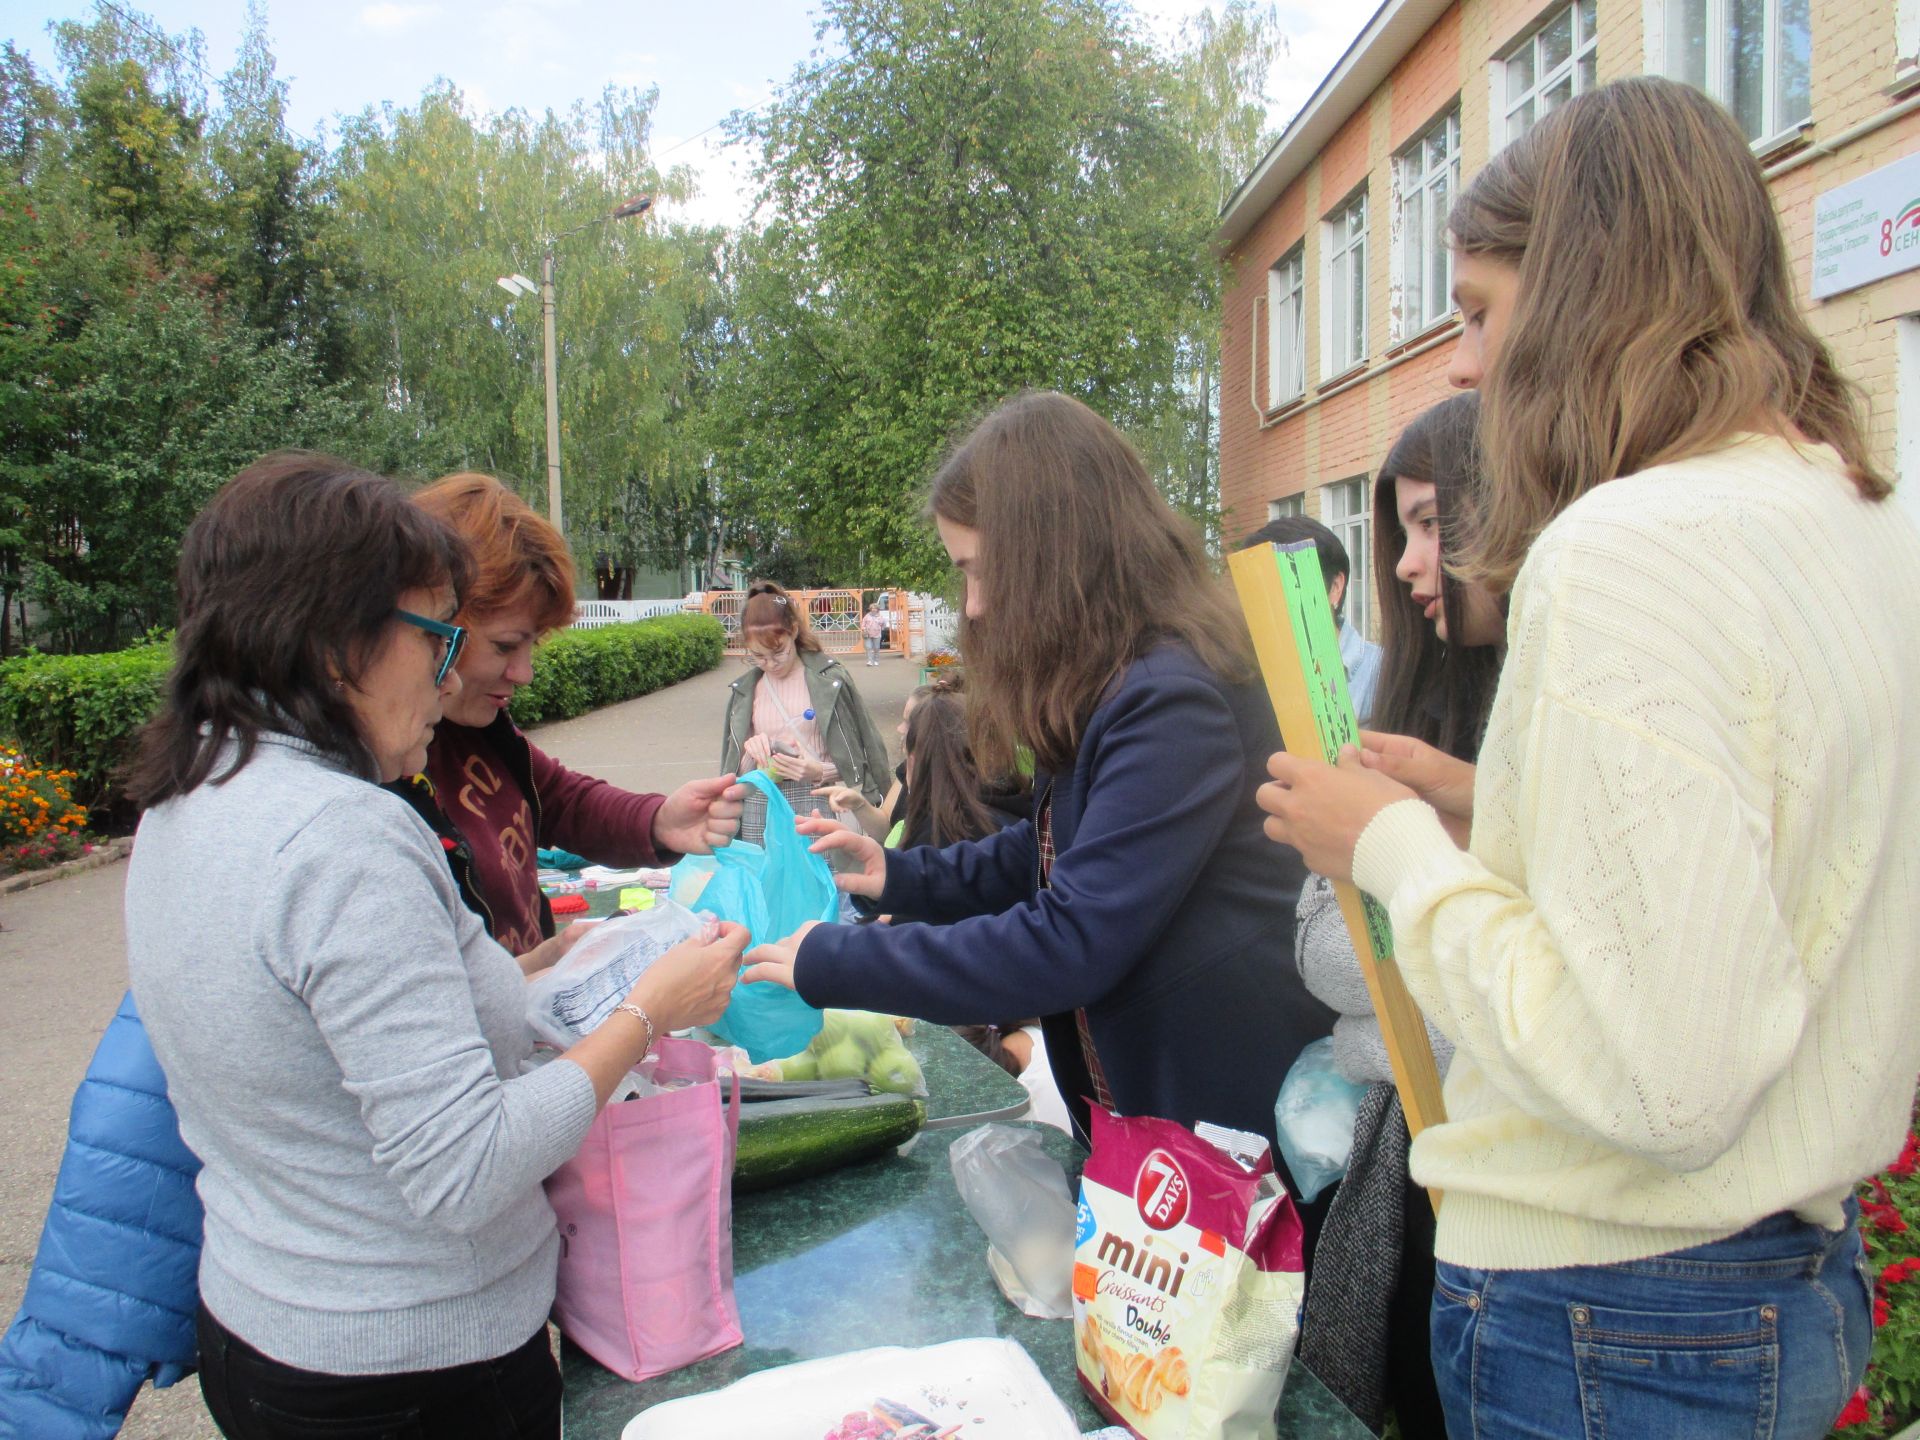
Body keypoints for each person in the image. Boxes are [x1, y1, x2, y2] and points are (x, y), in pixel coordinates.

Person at [1257, 77, 1920, 1438]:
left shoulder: (1624, 549)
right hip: (1777, 1277)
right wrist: (1481, 800)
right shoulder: (1851, 517)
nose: (1460, 365)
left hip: (1616, 1314)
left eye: (1485, 312)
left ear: (1583, 298)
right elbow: (1751, 862)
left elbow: (1655, 1074)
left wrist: (1381, 848)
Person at [122, 454, 747, 1438]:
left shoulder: (196, 792)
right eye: (438, 637)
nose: (452, 671)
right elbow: (465, 1165)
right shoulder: (342, 839)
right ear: (335, 639)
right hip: (407, 1370)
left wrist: (535, 968)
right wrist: (649, 1011)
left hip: (266, 1325)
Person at [742, 391, 1337, 1251]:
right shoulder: (1119, 673)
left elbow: (1069, 940)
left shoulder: (1172, 698)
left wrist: (840, 958)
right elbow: (1058, 846)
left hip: (1216, 1137)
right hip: (1165, 1126)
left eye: (982, 569)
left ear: (1056, 554)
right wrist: (902, 874)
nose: (975, 606)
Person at [1292, 392, 1497, 1438]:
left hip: (1514, 1199)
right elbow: (1323, 952)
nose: (1410, 564)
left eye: (1434, 524)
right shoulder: (1395, 721)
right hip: (1400, 1183)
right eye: (1400, 528)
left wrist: (1381, 1027)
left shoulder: (1560, 717)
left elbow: (1529, 997)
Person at [397, 473, 745, 953]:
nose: (525, 673)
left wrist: (660, 820)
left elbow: (557, 798)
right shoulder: (380, 771)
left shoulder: (476, 728)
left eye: (532, 645)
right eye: (504, 646)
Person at [719, 579, 893, 844]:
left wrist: (818, 771)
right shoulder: (745, 690)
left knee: (828, 881)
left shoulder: (830, 680)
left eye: (778, 652)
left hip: (822, 806)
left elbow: (865, 753)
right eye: (758, 656)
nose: (770, 664)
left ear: (794, 631)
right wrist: (751, 750)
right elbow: (734, 775)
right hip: (764, 815)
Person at [1239, 515, 1384, 722]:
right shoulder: (1248, 675)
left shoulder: (1381, 675)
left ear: (1335, 587)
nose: (1269, 607)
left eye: (1286, 587)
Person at [860, 602, 885, 666]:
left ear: (877, 609)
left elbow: (883, 625)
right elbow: (863, 624)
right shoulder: (867, 616)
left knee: (876, 648)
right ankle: (870, 661)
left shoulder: (880, 616)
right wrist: (864, 629)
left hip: (877, 634)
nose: (873, 609)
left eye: (875, 608)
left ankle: (876, 660)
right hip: (868, 634)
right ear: (870, 609)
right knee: (868, 647)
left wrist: (880, 622)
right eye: (872, 608)